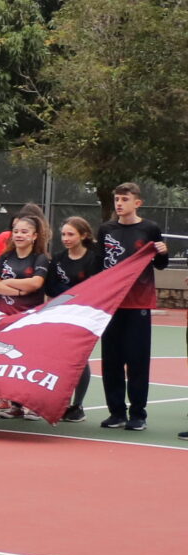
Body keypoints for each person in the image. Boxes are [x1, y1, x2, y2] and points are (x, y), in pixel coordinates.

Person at [97, 181, 170, 431]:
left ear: (137, 203)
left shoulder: (150, 228)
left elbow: (160, 264)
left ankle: (138, 414)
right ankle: (116, 412)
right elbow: (99, 264)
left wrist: (162, 252)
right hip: (111, 304)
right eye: (117, 199)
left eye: (125, 199)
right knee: (111, 360)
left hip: (138, 303)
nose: (119, 203)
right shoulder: (106, 229)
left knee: (137, 360)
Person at [42, 216, 98, 423]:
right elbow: (50, 287)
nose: (65, 238)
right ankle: (60, 402)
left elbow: (92, 287)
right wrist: (70, 293)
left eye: (71, 234)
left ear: (83, 235)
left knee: (80, 358)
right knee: (60, 358)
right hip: (61, 313)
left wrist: (71, 293)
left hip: (84, 315)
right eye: (63, 234)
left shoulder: (93, 258)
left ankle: (77, 405)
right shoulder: (58, 258)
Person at [0, 213, 48, 316]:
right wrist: (18, 292)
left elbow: (35, 283)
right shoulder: (5, 256)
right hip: (0, 315)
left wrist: (6, 282)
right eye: (15, 232)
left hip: (26, 317)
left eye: (24, 232)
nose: (19, 235)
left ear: (34, 236)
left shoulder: (40, 258)